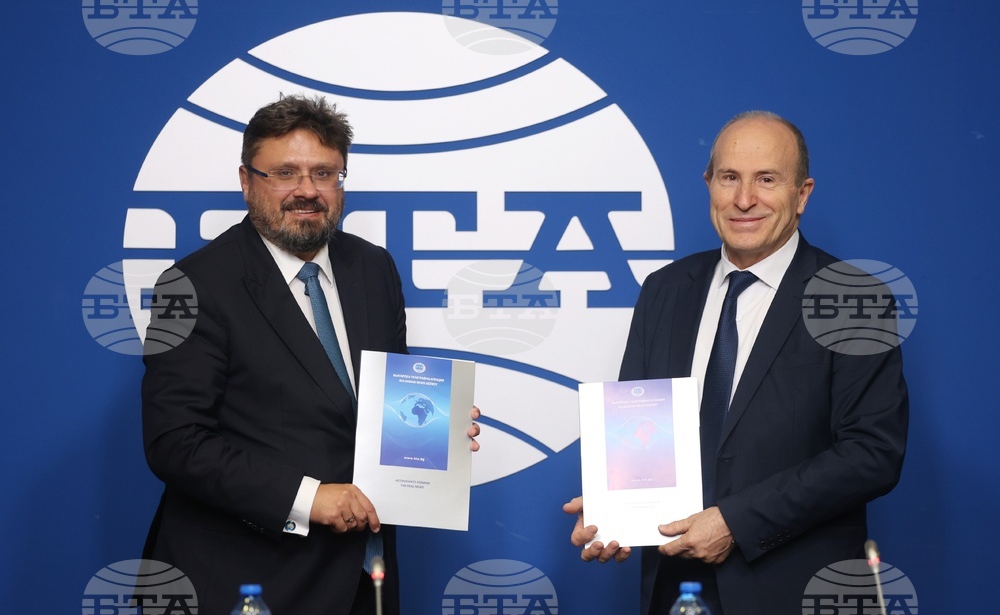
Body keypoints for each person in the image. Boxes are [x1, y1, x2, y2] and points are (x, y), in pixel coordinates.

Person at [141, 94, 480, 615]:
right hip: (244, 581)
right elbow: (175, 441)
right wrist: (306, 497)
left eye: (324, 173)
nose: (306, 190)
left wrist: (434, 426)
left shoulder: (373, 268)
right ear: (246, 180)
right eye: (285, 173)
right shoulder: (191, 285)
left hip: (363, 576)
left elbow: (383, 398)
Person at [564, 111, 908, 615]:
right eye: (729, 178)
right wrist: (612, 509)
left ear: (802, 194)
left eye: (766, 179)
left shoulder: (853, 300)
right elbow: (638, 428)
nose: (744, 199)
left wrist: (735, 522)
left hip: (797, 593)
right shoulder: (664, 290)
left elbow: (871, 453)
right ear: (709, 183)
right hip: (676, 588)